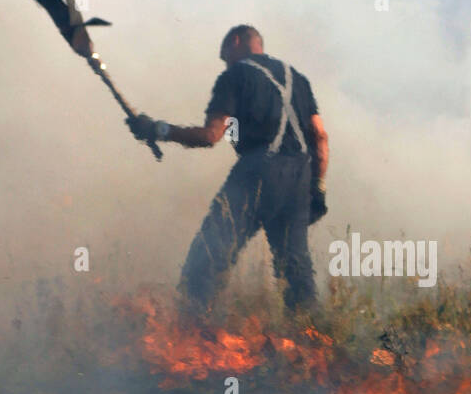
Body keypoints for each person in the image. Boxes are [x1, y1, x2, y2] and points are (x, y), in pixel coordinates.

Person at [127, 24, 329, 315]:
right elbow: (320, 137)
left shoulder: (234, 75)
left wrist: (158, 129)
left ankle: (191, 331)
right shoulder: (298, 78)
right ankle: (312, 346)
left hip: (258, 171)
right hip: (300, 178)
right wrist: (318, 189)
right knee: (297, 274)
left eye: (225, 56)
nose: (225, 63)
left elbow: (211, 136)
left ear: (235, 42)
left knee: (207, 258)